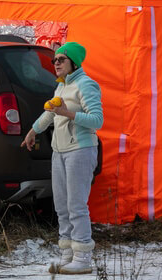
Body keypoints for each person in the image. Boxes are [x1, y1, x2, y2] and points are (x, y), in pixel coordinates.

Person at [21, 42, 103, 275]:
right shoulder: (61, 86)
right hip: (60, 151)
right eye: (54, 60)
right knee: (62, 206)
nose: (55, 63)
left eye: (61, 59)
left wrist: (67, 113)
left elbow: (97, 120)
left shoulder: (86, 85)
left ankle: (83, 257)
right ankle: (67, 255)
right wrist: (33, 131)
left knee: (76, 205)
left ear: (73, 62)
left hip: (80, 150)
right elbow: (50, 113)